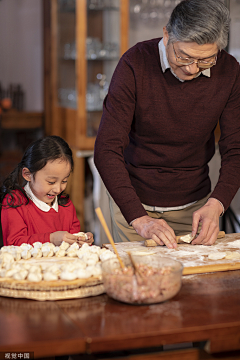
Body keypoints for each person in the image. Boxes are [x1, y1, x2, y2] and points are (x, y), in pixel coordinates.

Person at [94, 0, 240, 249]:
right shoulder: (134, 64)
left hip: (195, 208)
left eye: (205, 61)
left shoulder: (229, 71)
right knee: (140, 282)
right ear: (166, 34)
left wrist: (217, 204)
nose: (192, 69)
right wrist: (139, 218)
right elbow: (106, 149)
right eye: (183, 56)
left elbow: (236, 148)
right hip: (134, 205)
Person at [0, 135, 94, 247]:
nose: (58, 189)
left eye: (64, 181)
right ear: (27, 174)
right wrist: (51, 239)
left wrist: (80, 240)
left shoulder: (66, 205)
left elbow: (72, 243)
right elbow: (14, 244)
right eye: (51, 182)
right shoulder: (15, 202)